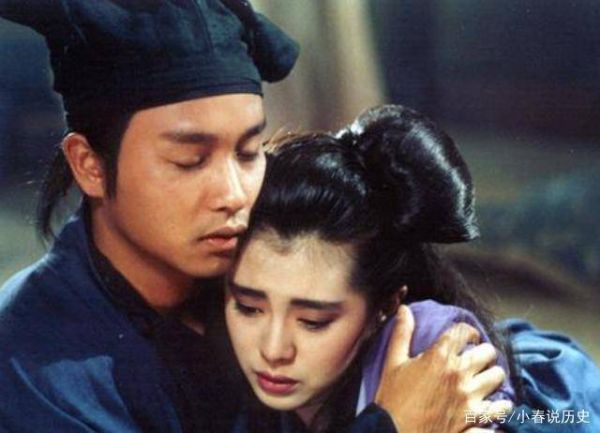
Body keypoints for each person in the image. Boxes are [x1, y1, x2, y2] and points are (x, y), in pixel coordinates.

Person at [0, 2, 500, 433]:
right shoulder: (35, 367)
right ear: (89, 165)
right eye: (189, 160)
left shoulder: (251, 258)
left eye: (247, 152)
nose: (234, 194)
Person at [225, 105, 600, 433]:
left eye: (312, 322)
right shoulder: (207, 311)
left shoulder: (436, 353)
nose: (273, 350)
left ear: (385, 306)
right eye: (249, 308)